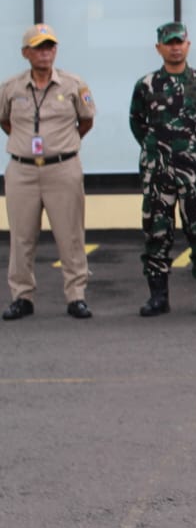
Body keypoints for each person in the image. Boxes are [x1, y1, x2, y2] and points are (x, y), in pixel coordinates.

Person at [129, 21, 196, 317]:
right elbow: (137, 123)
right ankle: (158, 298)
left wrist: (194, 147)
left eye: (179, 42)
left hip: (193, 172)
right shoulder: (146, 85)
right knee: (157, 233)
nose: (175, 48)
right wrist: (158, 149)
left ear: (188, 45)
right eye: (169, 43)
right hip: (157, 172)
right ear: (159, 48)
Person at [0, 23, 95, 320]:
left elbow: (86, 120)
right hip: (23, 171)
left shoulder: (73, 85)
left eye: (50, 46)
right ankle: (22, 297)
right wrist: (25, 144)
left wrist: (62, 145)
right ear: (25, 53)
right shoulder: (11, 88)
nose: (45, 53)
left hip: (62, 169)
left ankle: (76, 296)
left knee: (70, 235)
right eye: (38, 47)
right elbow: (4, 120)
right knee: (21, 238)